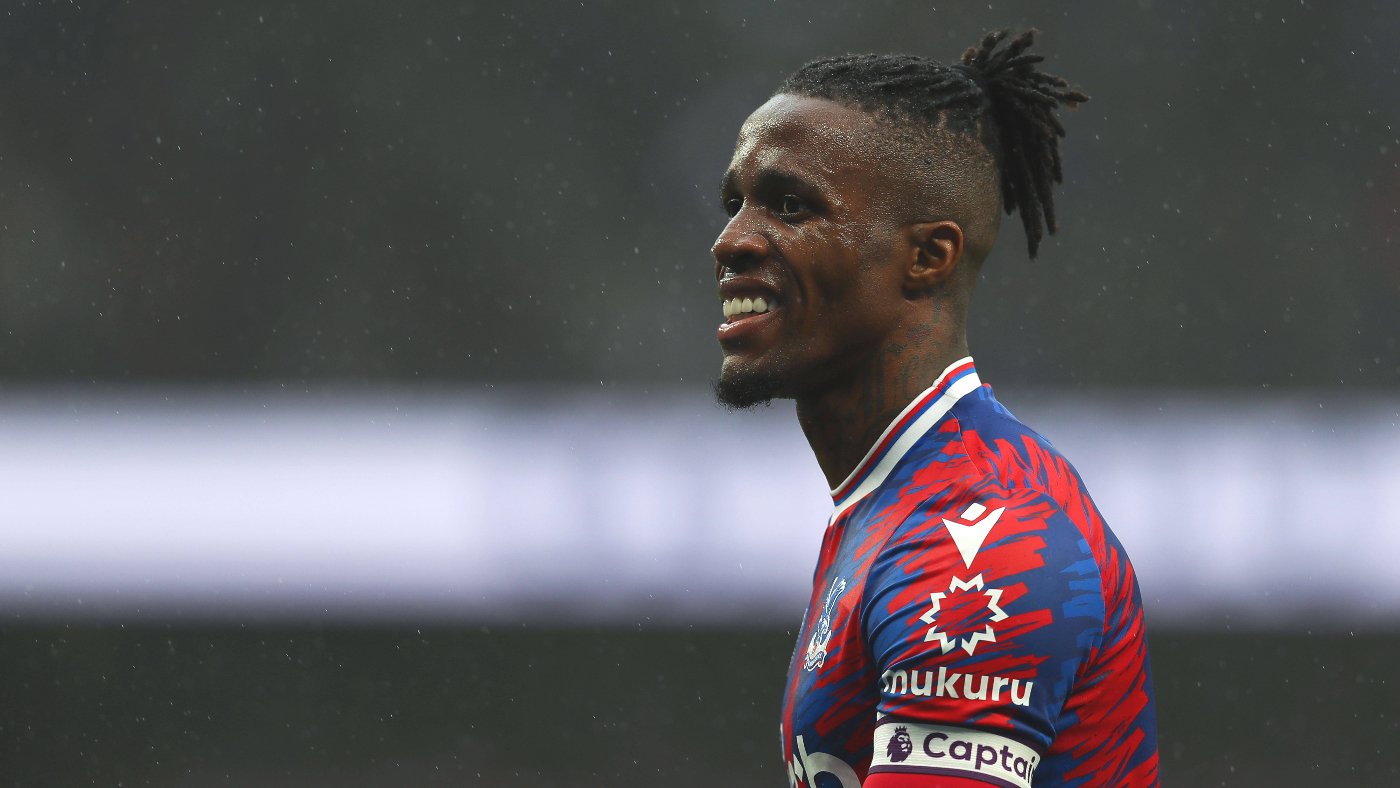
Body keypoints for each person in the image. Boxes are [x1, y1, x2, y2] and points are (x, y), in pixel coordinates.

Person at [710, 30, 1159, 788]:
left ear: (927, 257)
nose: (731, 242)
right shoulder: (889, 504)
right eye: (735, 204)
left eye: (789, 205)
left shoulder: (980, 541)